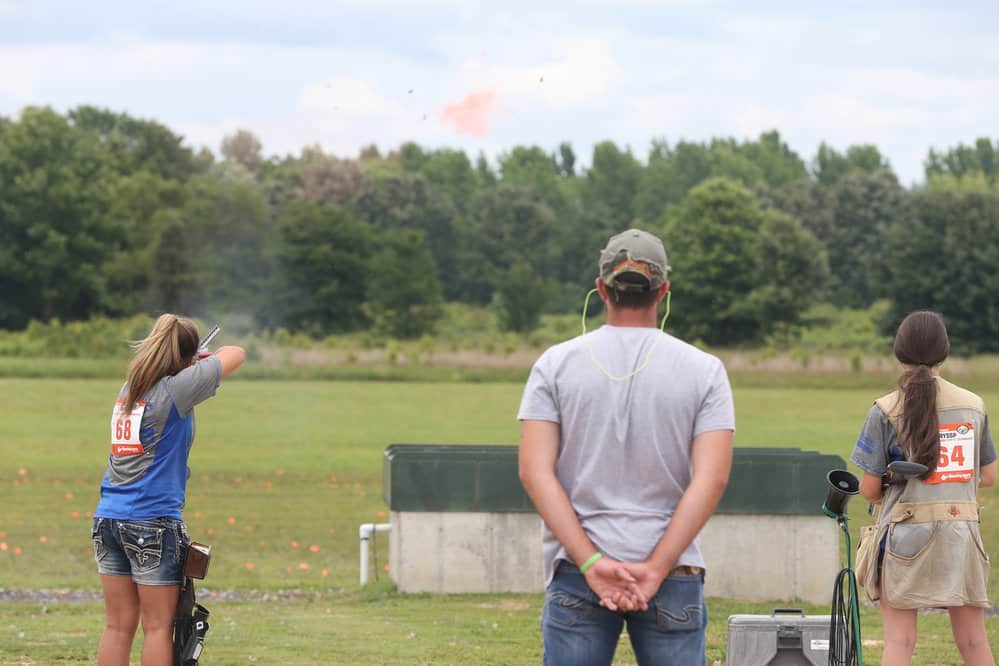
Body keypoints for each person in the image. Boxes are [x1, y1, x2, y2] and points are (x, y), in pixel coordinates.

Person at [517, 229, 735, 666]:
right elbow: (711, 478)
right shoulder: (705, 371)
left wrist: (591, 562)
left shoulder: (554, 365)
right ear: (664, 291)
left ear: (601, 289)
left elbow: (535, 472)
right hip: (674, 573)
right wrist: (656, 568)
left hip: (578, 571)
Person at [92, 314, 245, 666]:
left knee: (117, 627)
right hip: (153, 521)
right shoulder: (176, 389)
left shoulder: (130, 389)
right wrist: (201, 362)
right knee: (159, 628)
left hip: (108, 519)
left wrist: (191, 362)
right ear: (186, 356)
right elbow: (235, 352)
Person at [850, 311, 996, 666]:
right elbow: (989, 475)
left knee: (899, 643)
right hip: (961, 534)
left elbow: (869, 490)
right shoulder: (973, 406)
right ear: (944, 353)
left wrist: (891, 478)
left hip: (903, 535)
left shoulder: (885, 409)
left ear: (899, 352)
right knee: (974, 643)